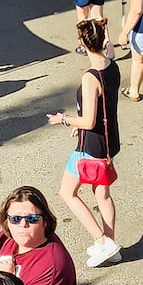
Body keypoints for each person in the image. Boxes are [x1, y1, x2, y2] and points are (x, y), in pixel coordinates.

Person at [50, 19, 122, 267]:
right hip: (109, 142)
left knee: (67, 192)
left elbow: (89, 120)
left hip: (89, 147)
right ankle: (111, 245)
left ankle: (102, 240)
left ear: (81, 43)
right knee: (102, 194)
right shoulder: (112, 65)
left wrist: (64, 120)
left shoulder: (90, 78)